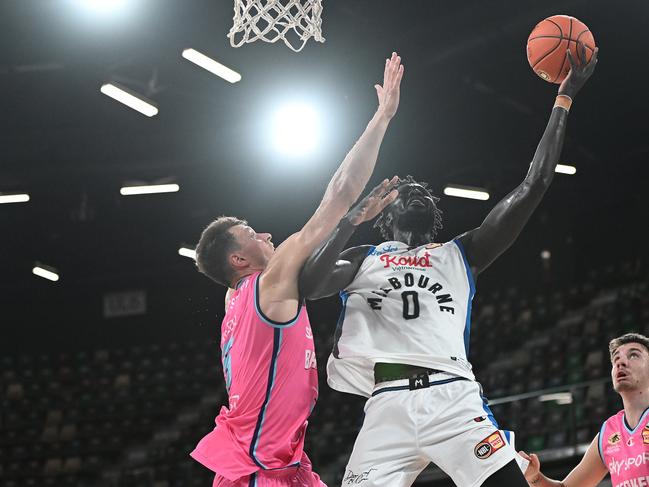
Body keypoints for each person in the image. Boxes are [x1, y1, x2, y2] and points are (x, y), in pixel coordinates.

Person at [299, 44, 598, 487]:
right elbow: (309, 283)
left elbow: (534, 184)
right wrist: (348, 222)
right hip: (387, 406)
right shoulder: (365, 258)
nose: (416, 193)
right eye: (405, 192)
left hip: (452, 399)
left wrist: (563, 100)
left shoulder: (462, 253)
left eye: (423, 191)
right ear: (384, 214)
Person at [189, 53, 404, 487]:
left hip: (285, 465)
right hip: (259, 471)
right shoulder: (267, 283)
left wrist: (349, 224)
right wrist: (381, 118)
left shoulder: (235, 297)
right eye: (250, 232)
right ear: (238, 260)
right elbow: (339, 191)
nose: (265, 233)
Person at [519, 333, 649, 487]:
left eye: (633, 355)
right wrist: (534, 477)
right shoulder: (609, 432)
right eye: (615, 359)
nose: (621, 362)